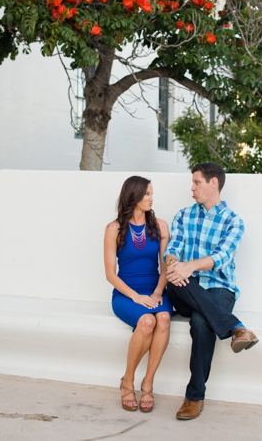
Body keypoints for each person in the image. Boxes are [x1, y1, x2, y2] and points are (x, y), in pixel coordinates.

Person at [163, 162, 259, 421]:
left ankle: (194, 398)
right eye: (192, 182)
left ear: (213, 183)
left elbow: (221, 257)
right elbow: (172, 249)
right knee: (175, 281)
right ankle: (236, 327)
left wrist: (188, 266)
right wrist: (174, 265)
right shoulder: (184, 215)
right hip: (184, 288)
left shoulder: (233, 222)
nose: (191, 188)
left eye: (197, 182)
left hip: (219, 288)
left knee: (201, 321)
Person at [104, 176, 172, 413]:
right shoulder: (113, 229)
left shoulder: (160, 226)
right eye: (146, 194)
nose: (151, 198)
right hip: (126, 294)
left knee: (162, 318)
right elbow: (110, 274)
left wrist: (158, 291)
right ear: (133, 196)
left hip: (155, 290)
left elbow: (165, 266)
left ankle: (148, 383)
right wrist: (135, 296)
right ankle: (127, 381)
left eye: (152, 194)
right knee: (146, 321)